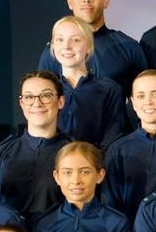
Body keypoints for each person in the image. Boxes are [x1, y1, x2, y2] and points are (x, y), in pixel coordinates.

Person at [37, 0, 147, 89]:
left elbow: (144, 97)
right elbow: (44, 96)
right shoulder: (54, 52)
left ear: (106, 1)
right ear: (69, 2)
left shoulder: (129, 47)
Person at [0, 71, 70, 223]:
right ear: (21, 103)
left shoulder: (73, 153)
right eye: (28, 97)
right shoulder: (1, 153)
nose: (37, 103)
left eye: (46, 95)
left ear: (61, 101)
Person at [104, 70, 156, 218]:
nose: (148, 102)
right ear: (133, 103)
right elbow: (110, 206)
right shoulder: (118, 150)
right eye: (141, 96)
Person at [49, 16, 129, 149]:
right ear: (53, 45)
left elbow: (112, 140)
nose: (67, 46)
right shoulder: (47, 91)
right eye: (60, 40)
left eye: (75, 40)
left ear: (88, 46)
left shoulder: (109, 89)